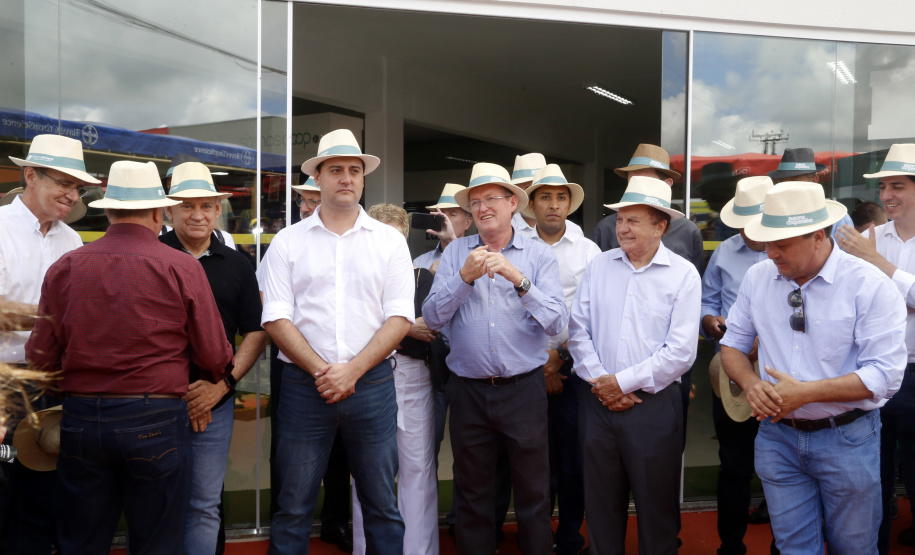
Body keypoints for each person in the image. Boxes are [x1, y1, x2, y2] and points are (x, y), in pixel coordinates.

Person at [25, 160, 234, 553]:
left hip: (82, 417)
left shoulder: (67, 265)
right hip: (155, 416)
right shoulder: (182, 266)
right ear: (159, 212)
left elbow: (39, 356)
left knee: (81, 539)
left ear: (108, 211)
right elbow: (214, 354)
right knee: (157, 540)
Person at [721, 181, 906, 555]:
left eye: (782, 244)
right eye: (767, 242)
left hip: (848, 438)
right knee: (793, 549)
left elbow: (885, 376)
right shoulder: (758, 277)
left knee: (853, 548)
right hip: (777, 436)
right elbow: (732, 346)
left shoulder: (868, 284)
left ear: (818, 236)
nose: (770, 253)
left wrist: (804, 394)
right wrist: (752, 384)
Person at [259, 129, 414, 555]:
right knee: (292, 508)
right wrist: (323, 372)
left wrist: (353, 370)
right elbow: (275, 317)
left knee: (382, 505)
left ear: (363, 180)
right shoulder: (287, 243)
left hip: (373, 387)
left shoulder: (389, 243)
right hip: (304, 389)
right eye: (335, 170)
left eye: (354, 170)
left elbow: (400, 317)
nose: (346, 178)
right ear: (319, 179)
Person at [422, 161, 568, 554]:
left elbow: (557, 321)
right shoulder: (456, 256)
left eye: (491, 198)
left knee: (533, 494)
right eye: (476, 201)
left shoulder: (537, 256)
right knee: (472, 494)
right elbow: (433, 318)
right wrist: (464, 278)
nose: (483, 207)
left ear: (511, 204)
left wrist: (519, 280)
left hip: (523, 390)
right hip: (468, 391)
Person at [569, 175, 700, 555]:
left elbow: (679, 353)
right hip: (598, 404)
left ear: (660, 227)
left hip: (653, 408)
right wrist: (602, 384)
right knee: (601, 509)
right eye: (619, 219)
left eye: (632, 221)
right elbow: (579, 332)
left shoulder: (683, 274)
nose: (621, 228)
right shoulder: (599, 266)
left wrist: (620, 384)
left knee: (656, 513)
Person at [160, 161, 267, 555]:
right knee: (156, 502)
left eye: (206, 206)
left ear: (219, 210)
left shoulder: (238, 265)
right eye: (187, 206)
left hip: (217, 402)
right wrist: (186, 392)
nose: (198, 215)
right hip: (158, 402)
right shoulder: (152, 258)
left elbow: (255, 331)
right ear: (169, 210)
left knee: (204, 506)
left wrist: (221, 387)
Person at [0, 133, 100, 553]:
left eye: (76, 186)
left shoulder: (71, 241)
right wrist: (51, 318)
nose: (72, 194)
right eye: (63, 182)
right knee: (2, 490)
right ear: (29, 176)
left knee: (44, 490)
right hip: (4, 383)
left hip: (52, 383)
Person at [836, 143, 915, 555]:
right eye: (884, 186)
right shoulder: (868, 238)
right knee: (871, 483)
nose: (887, 195)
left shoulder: (869, 248)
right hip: (872, 374)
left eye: (898, 185)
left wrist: (879, 265)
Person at [352, 203, 439, 555]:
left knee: (418, 468)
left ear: (404, 236)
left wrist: (405, 329)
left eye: (395, 233)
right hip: (368, 375)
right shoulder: (353, 278)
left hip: (414, 376)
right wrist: (406, 327)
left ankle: (419, 550)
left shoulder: (423, 278)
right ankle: (365, 549)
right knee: (368, 473)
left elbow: (434, 331)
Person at [523, 164, 599, 555]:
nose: (554, 205)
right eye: (545, 197)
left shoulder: (589, 252)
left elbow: (591, 314)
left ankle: (569, 536)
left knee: (572, 460)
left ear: (569, 204)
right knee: (529, 461)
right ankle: (533, 537)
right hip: (523, 367)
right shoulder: (515, 246)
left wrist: (559, 357)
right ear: (531, 204)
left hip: (572, 368)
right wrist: (541, 360)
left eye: (561, 197)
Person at [700, 175, 772, 555]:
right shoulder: (725, 252)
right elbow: (707, 301)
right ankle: (731, 545)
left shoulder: (790, 254)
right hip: (731, 373)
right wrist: (710, 320)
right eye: (741, 223)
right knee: (733, 463)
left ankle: (785, 542)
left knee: (784, 465)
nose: (747, 232)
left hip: (780, 376)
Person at [590, 144, 704, 273]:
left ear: (667, 184)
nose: (623, 229)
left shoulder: (688, 231)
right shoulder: (605, 228)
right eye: (633, 180)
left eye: (645, 180)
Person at [768, 147, 854, 251]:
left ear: (814, 180)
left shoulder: (837, 217)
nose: (788, 187)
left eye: (794, 182)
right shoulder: (773, 215)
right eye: (783, 182)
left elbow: (846, 259)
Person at [413, 183, 473, 272]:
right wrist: (427, 277)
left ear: (467, 223)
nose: (445, 219)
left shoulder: (475, 259)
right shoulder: (420, 262)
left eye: (453, 214)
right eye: (441, 214)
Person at [510, 152, 546, 239]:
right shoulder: (504, 230)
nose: (534, 194)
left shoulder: (571, 230)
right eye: (528, 188)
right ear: (515, 190)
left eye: (540, 189)